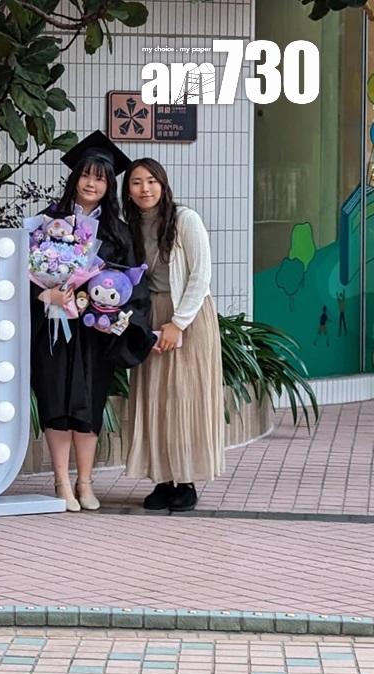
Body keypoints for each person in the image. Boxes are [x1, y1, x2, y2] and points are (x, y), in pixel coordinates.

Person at [31, 131, 155, 513]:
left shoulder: (118, 231)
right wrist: (47, 294)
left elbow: (134, 284)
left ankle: (85, 481)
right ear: (75, 178)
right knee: (56, 400)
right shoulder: (47, 222)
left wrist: (117, 317)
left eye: (100, 177)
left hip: (93, 334)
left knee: (88, 403)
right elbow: (22, 274)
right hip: (53, 326)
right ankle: (61, 481)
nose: (91, 183)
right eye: (86, 175)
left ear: (109, 185)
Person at [122, 158, 225, 512]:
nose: (145, 189)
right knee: (156, 397)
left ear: (163, 185)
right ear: (128, 190)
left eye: (152, 181)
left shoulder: (185, 220)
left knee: (184, 396)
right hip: (151, 315)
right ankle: (164, 480)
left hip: (188, 317)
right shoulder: (130, 227)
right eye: (136, 182)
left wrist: (178, 323)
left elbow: (201, 275)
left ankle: (187, 480)